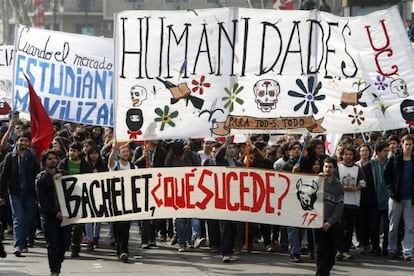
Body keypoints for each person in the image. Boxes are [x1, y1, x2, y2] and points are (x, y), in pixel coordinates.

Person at [0, 132, 40, 257]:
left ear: (28, 142)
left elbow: (37, 176)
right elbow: (4, 177)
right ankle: (18, 245)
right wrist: (1, 195)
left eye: (25, 141)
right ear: (17, 141)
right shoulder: (10, 157)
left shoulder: (32, 157)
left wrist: (38, 196)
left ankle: (24, 243)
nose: (23, 143)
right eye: (21, 140)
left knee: (28, 219)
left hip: (29, 193)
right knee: (18, 218)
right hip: (15, 192)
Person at [36, 150, 71, 276]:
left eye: (54, 158)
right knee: (53, 244)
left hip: (65, 216)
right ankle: (54, 270)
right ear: (45, 161)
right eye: (50, 159)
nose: (53, 161)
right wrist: (54, 212)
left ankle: (57, 263)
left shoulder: (64, 175)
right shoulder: (41, 179)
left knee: (64, 244)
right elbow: (42, 200)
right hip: (50, 216)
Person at [57, 142, 93, 258]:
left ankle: (75, 247)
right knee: (67, 224)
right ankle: (65, 244)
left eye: (74, 151)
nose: (71, 153)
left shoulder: (85, 165)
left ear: (79, 152)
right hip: (66, 198)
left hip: (80, 198)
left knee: (78, 225)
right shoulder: (64, 163)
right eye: (70, 150)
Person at [384, 134, 414, 260]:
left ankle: (408, 251)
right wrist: (392, 190)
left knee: (410, 227)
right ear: (402, 144)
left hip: (410, 198)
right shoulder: (395, 158)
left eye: (410, 144)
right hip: (396, 197)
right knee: (393, 226)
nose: (408, 147)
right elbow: (386, 176)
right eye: (406, 144)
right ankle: (392, 249)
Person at [313, 157, 344, 276]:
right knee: (320, 250)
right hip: (317, 221)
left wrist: (330, 222)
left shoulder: (338, 185)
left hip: (331, 223)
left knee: (331, 252)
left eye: (330, 167)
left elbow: (339, 206)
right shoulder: (317, 181)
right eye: (325, 166)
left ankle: (325, 271)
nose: (327, 169)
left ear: (334, 169)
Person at [108, 140, 137, 263]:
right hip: (116, 199)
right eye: (123, 152)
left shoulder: (133, 167)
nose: (125, 154)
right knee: (117, 226)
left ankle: (124, 250)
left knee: (126, 226)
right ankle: (119, 248)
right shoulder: (116, 165)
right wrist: (113, 149)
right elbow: (110, 163)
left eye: (127, 152)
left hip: (128, 200)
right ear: (119, 153)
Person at [360, 140, 390, 256]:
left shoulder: (390, 163)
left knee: (388, 226)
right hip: (374, 201)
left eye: (388, 151)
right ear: (378, 152)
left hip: (388, 199)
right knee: (374, 225)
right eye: (385, 151)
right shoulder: (368, 166)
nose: (387, 153)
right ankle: (375, 246)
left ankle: (386, 247)